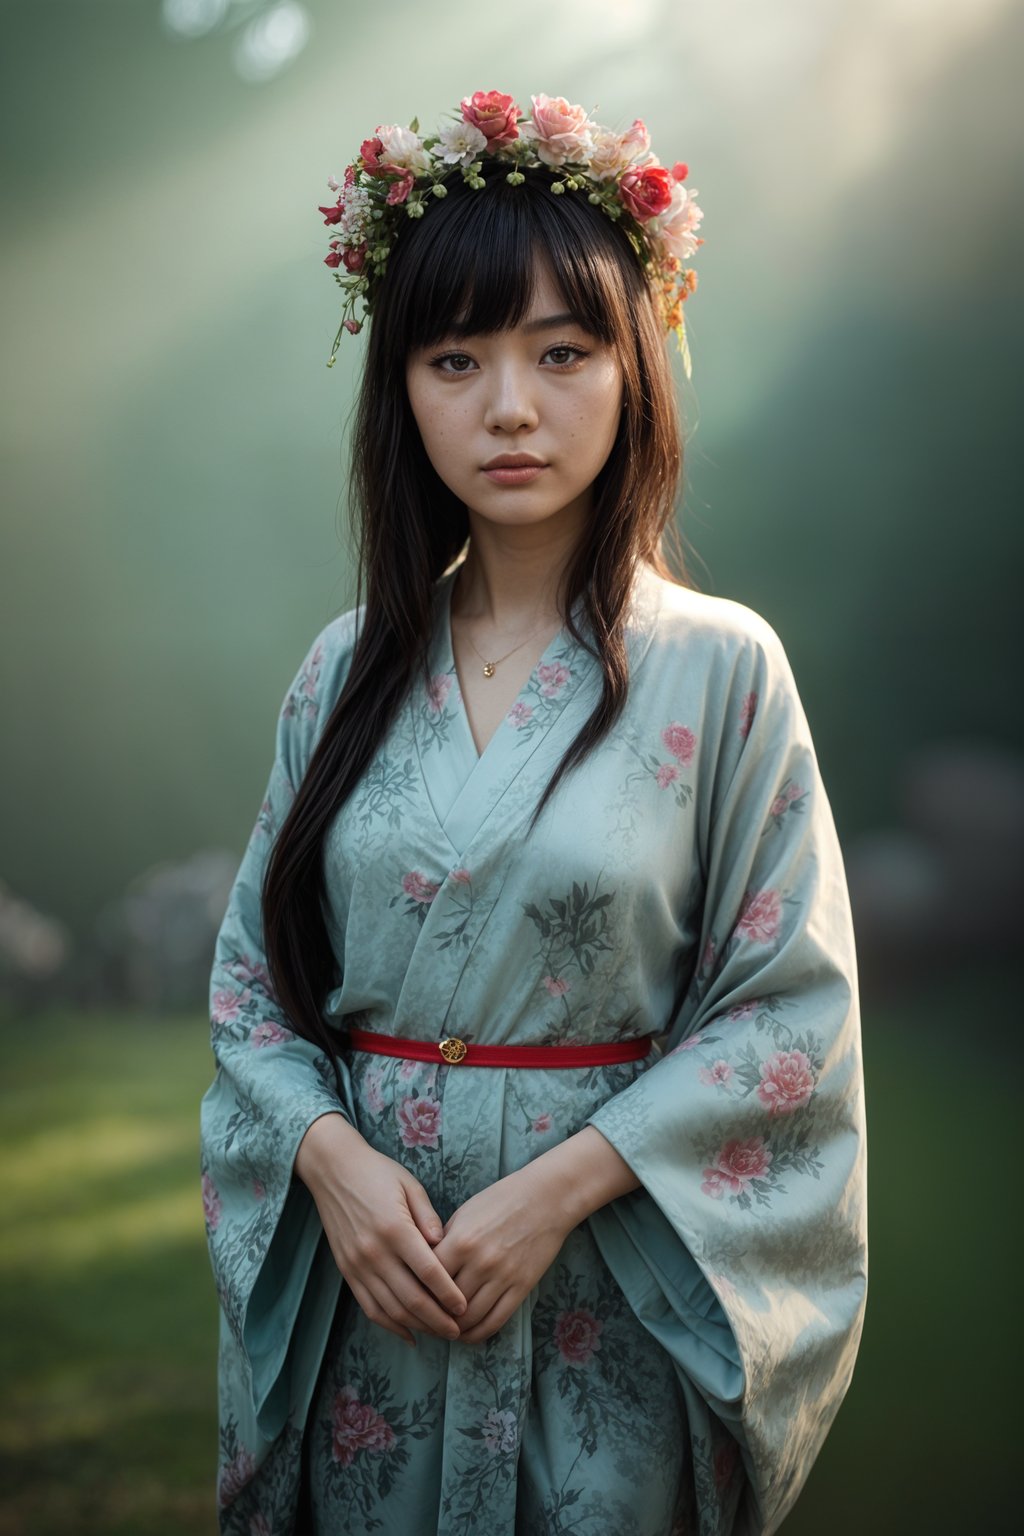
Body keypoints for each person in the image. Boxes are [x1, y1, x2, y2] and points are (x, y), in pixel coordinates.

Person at [199, 90, 868, 1536]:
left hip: (605, 1278)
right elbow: (256, 984)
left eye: (562, 352)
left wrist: (560, 1189)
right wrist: (333, 1167)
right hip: (373, 1288)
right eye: (457, 359)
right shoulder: (345, 668)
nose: (509, 405)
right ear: (403, 390)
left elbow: (786, 1018)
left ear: (634, 369)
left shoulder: (723, 669)